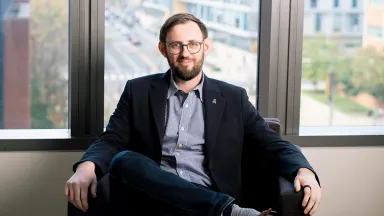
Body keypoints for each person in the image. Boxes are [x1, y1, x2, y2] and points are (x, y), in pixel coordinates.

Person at [65, 13, 321, 216]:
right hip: (154, 198)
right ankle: (229, 212)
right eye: (176, 45)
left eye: (193, 44)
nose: (185, 53)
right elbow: (111, 138)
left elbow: (272, 142)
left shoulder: (233, 98)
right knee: (124, 160)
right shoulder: (138, 90)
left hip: (207, 194)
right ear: (163, 49)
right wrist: (88, 166)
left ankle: (219, 208)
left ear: (205, 47)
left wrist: (304, 169)